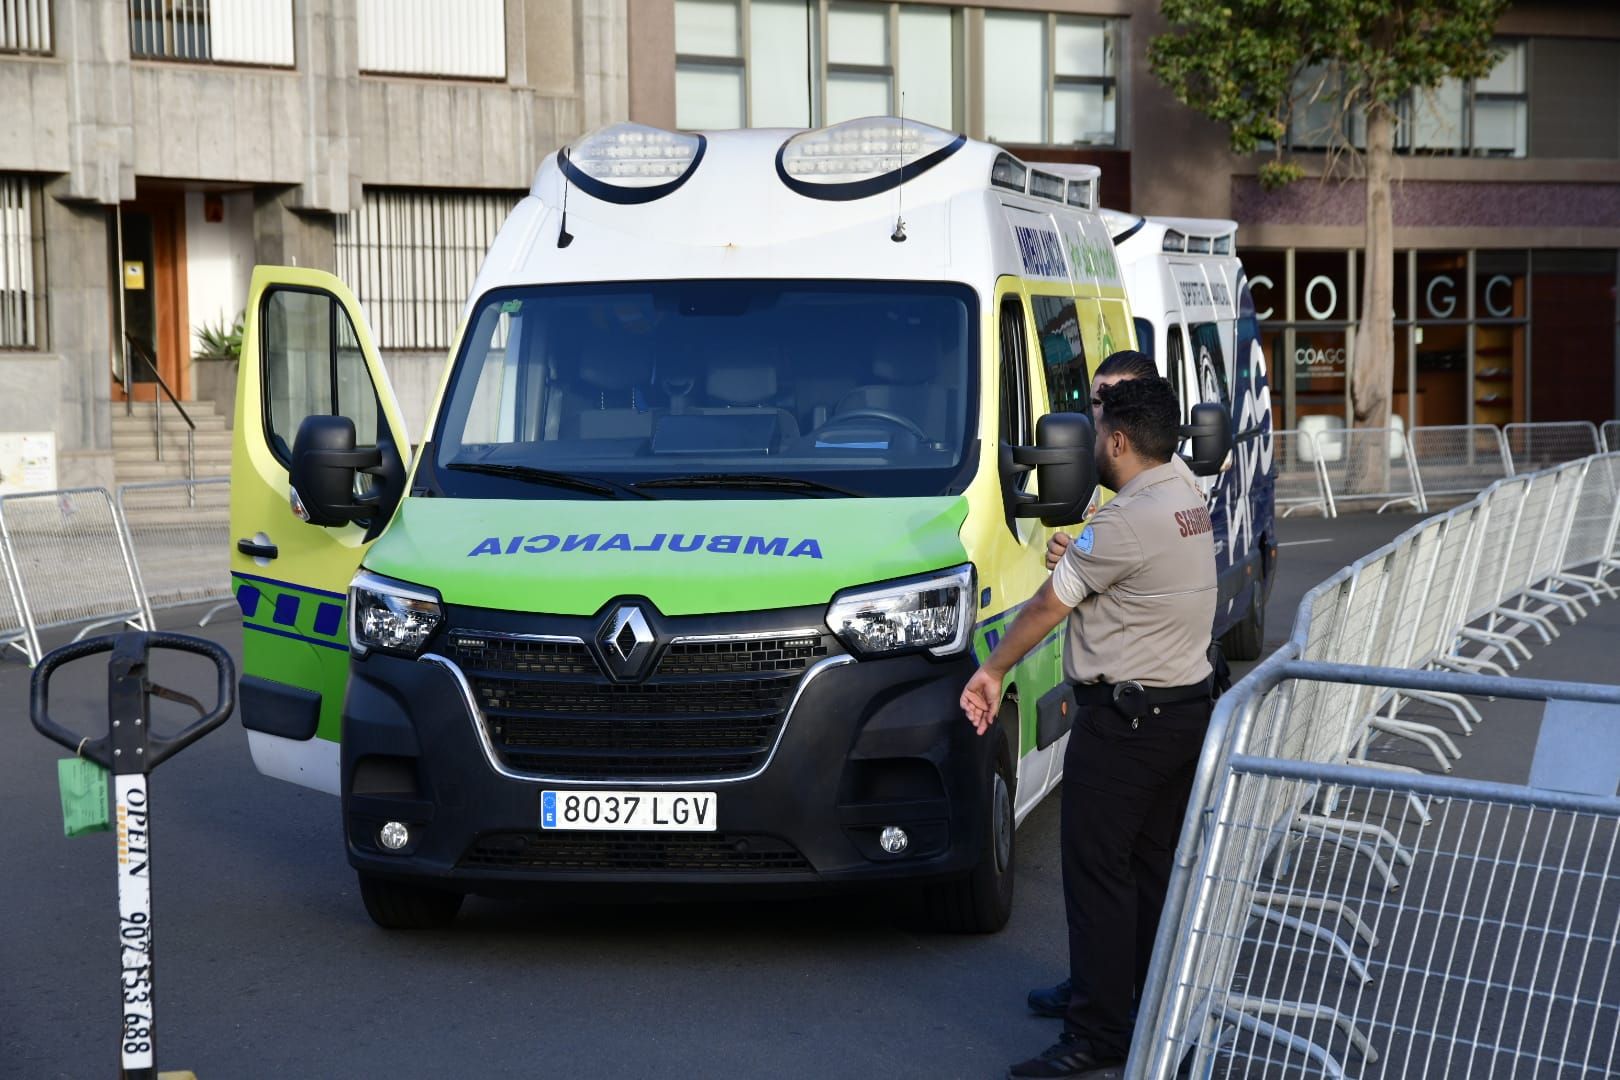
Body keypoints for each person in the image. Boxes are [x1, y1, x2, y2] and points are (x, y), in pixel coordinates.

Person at [960, 376, 1217, 1078]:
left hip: (1128, 723)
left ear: (1119, 441)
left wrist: (992, 672)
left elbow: (1048, 606)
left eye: (1099, 421)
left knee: (1099, 875)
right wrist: (1086, 552)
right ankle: (1142, 1007)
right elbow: (1131, 573)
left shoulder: (1126, 520)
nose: (1092, 433)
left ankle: (1097, 1034)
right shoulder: (1182, 491)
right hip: (1181, 710)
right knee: (1146, 869)